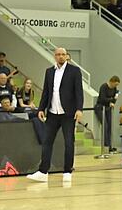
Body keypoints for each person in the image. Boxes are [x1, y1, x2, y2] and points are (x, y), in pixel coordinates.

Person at [27, 47, 84, 183]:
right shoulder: (49, 71)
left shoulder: (74, 71)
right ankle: (43, 171)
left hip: (68, 113)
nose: (61, 56)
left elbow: (79, 91)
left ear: (67, 56)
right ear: (54, 56)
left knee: (68, 142)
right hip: (52, 113)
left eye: (63, 54)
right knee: (47, 141)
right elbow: (46, 92)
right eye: (58, 54)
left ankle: (67, 171)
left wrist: (79, 109)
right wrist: (41, 108)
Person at [96, 76, 120, 152]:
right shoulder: (103, 87)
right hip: (100, 107)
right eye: (115, 84)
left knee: (110, 126)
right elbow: (102, 99)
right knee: (105, 125)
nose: (115, 86)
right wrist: (110, 100)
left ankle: (110, 146)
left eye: (117, 85)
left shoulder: (114, 89)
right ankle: (106, 145)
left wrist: (113, 100)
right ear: (111, 82)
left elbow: (114, 99)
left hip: (108, 108)